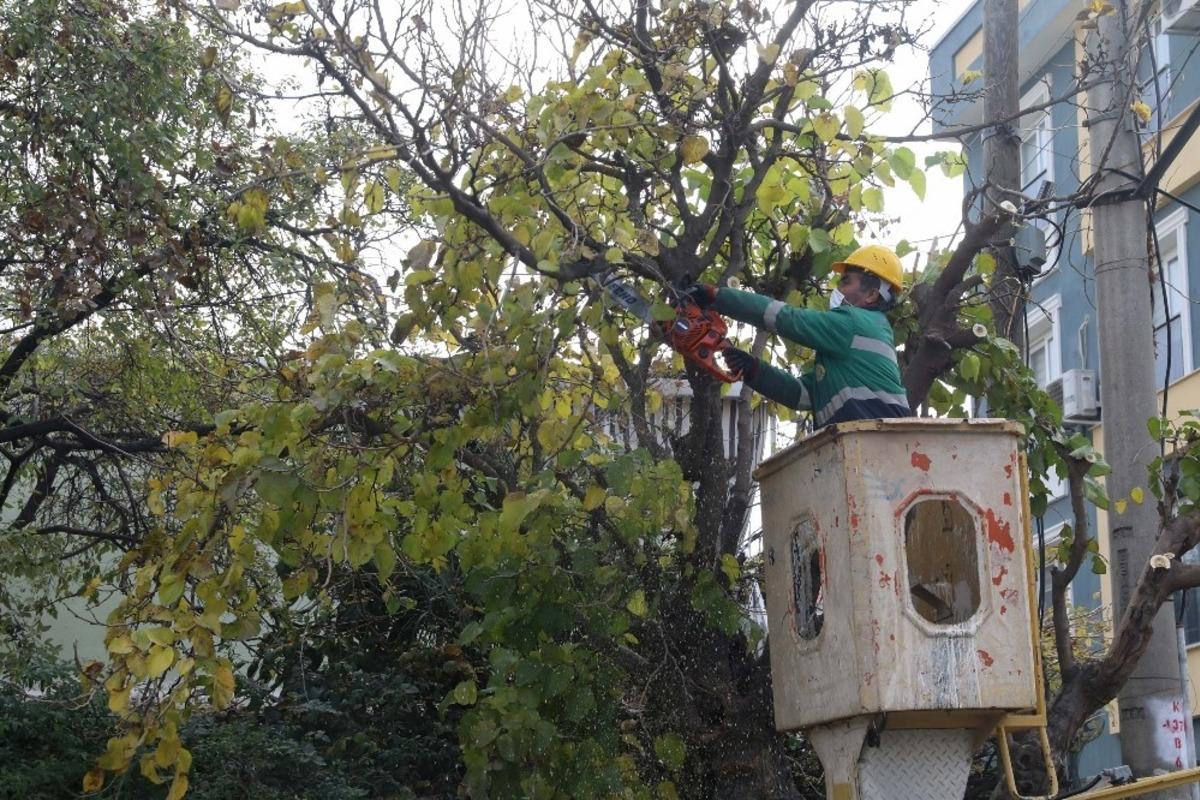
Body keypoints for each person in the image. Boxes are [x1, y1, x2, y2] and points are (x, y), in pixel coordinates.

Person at [686, 244, 911, 428]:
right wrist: (754, 370)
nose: (838, 288)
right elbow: (803, 395)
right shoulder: (856, 344)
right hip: (871, 445)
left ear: (871, 294)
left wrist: (717, 297)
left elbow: (789, 319)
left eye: (846, 281)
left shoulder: (854, 323)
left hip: (876, 442)